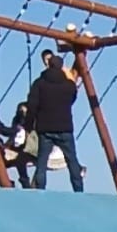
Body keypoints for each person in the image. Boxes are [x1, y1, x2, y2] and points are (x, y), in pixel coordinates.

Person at [26, 54, 84, 192]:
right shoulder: (68, 85)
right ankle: (78, 189)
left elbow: (32, 105)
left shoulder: (39, 83)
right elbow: (72, 97)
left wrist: (29, 125)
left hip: (45, 127)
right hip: (65, 127)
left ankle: (40, 189)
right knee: (72, 160)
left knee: (42, 161)